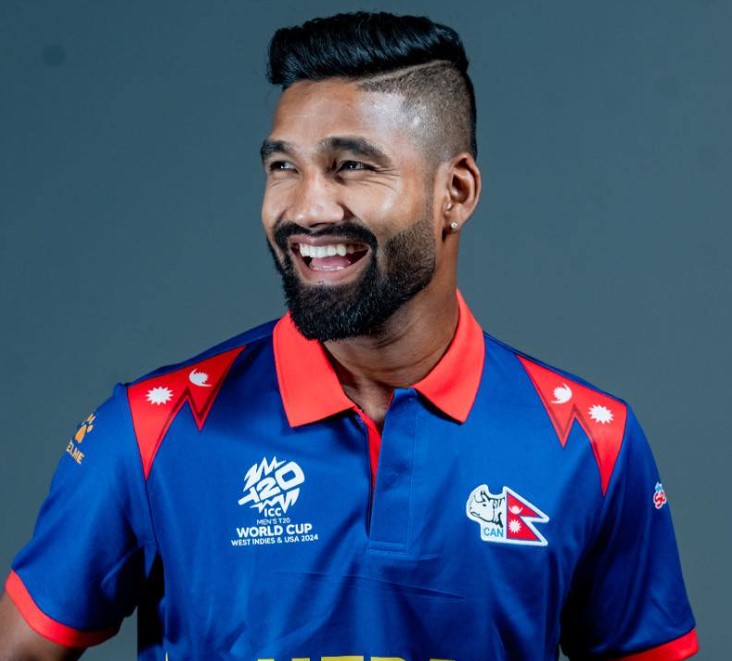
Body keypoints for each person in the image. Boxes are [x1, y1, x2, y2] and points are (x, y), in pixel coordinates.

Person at [0, 11, 697, 661]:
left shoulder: (590, 443)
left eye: (352, 166)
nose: (306, 209)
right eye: (284, 167)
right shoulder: (154, 429)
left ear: (455, 192)